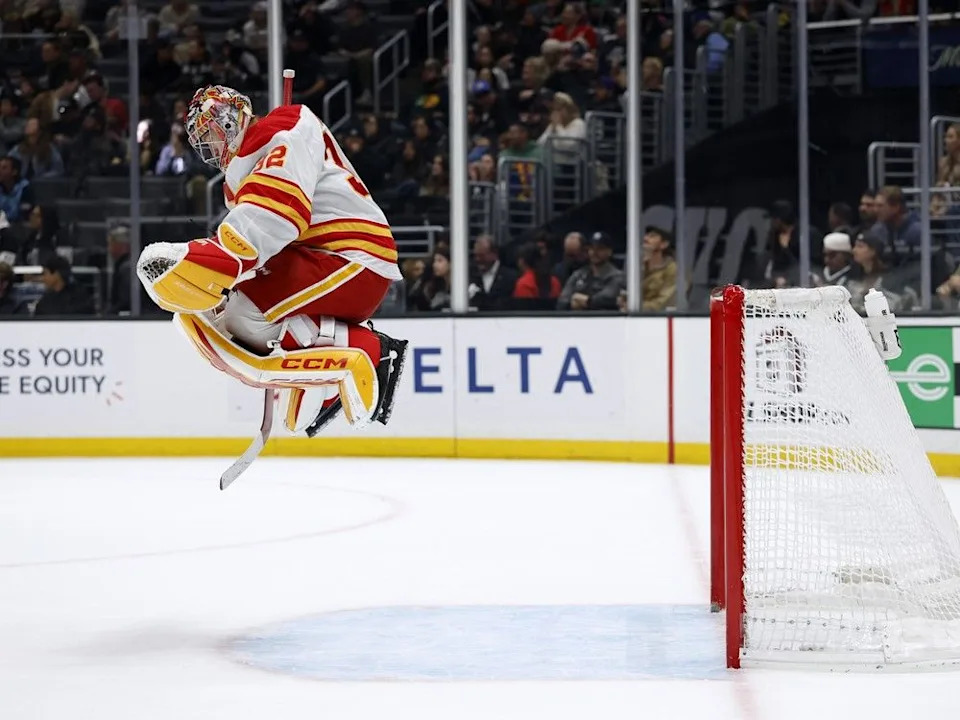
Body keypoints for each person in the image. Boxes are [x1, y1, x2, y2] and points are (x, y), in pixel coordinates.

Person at [136, 85, 407, 436]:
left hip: (351, 258)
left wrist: (222, 257)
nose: (210, 147)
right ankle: (318, 372)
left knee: (245, 316)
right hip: (326, 257)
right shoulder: (248, 164)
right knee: (227, 313)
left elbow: (275, 214)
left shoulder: (283, 128)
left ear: (231, 120)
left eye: (211, 133)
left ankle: (368, 350)